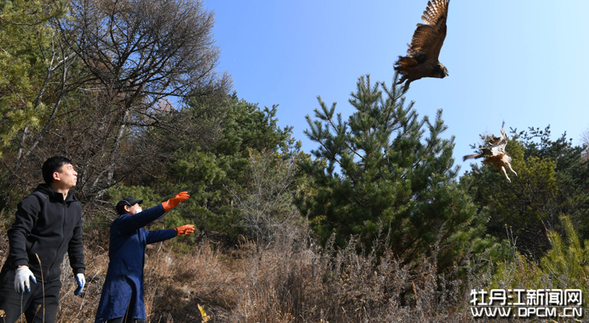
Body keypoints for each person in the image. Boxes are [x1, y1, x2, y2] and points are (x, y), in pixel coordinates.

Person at [0, 156, 86, 323]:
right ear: (56, 175)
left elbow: (75, 241)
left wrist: (79, 269)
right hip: (21, 277)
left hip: (50, 283)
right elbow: (18, 232)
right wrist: (21, 266)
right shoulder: (35, 200)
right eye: (69, 168)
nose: (75, 172)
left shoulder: (75, 207)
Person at [95, 192, 195, 323]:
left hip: (135, 280)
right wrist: (168, 204)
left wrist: (177, 230)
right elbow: (144, 217)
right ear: (127, 208)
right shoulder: (121, 222)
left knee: (136, 318)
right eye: (137, 205)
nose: (140, 208)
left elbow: (156, 235)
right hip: (120, 279)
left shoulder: (139, 232)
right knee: (115, 315)